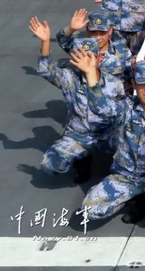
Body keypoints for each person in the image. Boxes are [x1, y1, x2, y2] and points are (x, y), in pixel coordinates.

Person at [72, 57, 145, 246]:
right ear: (134, 84)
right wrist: (90, 75)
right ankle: (137, 197)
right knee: (91, 211)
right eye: (143, 84)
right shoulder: (124, 107)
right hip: (125, 176)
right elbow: (100, 107)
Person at [28, 17, 116, 183]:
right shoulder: (69, 78)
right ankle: (82, 159)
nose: (85, 62)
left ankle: (121, 172)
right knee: (51, 163)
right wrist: (45, 42)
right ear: (74, 60)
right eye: (80, 57)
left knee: (133, 144)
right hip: (79, 135)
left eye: (90, 57)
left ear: (99, 59)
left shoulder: (114, 83)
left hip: (107, 135)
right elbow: (47, 70)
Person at [56, 9, 132, 99]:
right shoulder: (80, 47)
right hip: (86, 101)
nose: (98, 37)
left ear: (110, 31)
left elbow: (131, 77)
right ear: (87, 30)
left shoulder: (122, 51)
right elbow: (63, 41)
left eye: (102, 33)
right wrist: (71, 29)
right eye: (94, 32)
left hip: (113, 102)